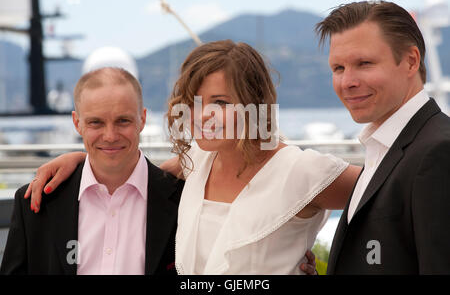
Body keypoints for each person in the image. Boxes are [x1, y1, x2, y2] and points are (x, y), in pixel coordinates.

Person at [22, 40, 361, 274]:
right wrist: (81, 161)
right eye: (194, 101)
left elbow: (389, 188)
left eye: (220, 102)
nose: (203, 115)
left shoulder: (301, 171)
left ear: (254, 103)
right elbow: (132, 170)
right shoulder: (198, 162)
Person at [0, 67, 184, 274]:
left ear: (142, 119)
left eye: (123, 120)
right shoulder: (34, 203)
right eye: (96, 122)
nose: (110, 136)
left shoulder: (184, 198)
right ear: (77, 123)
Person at [315, 0, 450, 274]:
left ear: (411, 61)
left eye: (364, 63)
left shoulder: (439, 151)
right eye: (338, 68)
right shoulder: (386, 149)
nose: (347, 82)